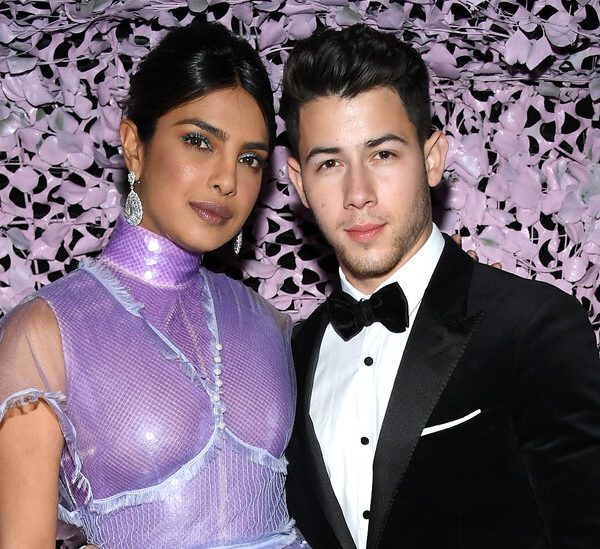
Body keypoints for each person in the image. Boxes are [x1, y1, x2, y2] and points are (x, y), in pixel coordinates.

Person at [280, 24, 600, 549]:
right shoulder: (289, 359)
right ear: (299, 182)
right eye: (330, 163)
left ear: (431, 159)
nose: (358, 192)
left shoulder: (531, 328)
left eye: (383, 154)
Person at [0, 20, 308, 549]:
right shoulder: (46, 332)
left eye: (250, 158)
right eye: (199, 141)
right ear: (134, 146)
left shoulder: (269, 324)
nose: (227, 179)